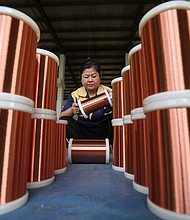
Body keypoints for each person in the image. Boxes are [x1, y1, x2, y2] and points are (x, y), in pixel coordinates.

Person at [59, 58, 113, 144]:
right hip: (83, 132)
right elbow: (61, 116)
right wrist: (71, 111)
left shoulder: (110, 93)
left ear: (100, 76)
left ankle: (114, 148)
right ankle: (75, 147)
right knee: (64, 121)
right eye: (86, 77)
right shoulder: (75, 95)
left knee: (115, 121)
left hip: (105, 132)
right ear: (81, 77)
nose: (90, 80)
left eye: (94, 76)